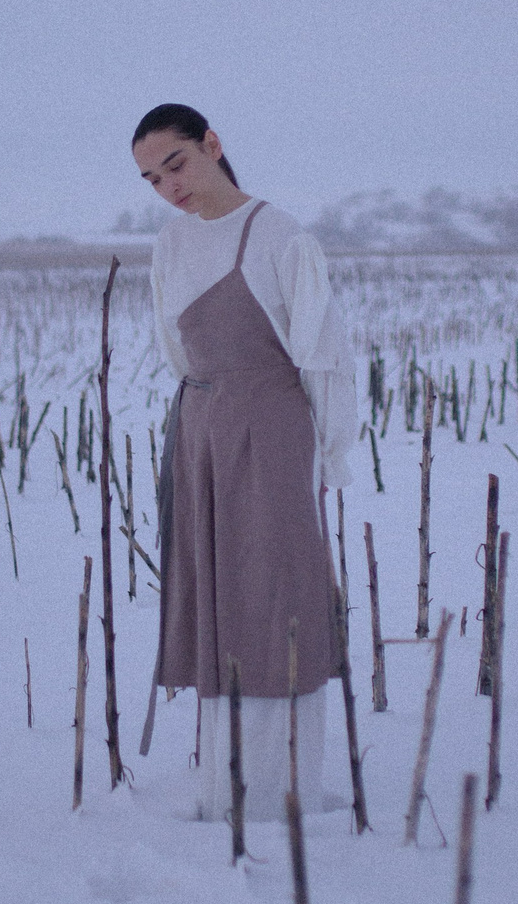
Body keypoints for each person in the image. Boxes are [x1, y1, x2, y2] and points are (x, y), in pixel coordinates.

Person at [133, 103, 353, 821]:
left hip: (272, 426)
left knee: (276, 590)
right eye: (152, 179)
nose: (169, 186)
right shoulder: (170, 244)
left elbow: (323, 356)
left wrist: (328, 453)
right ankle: (222, 787)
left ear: (212, 144)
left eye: (176, 164)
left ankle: (281, 789)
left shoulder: (281, 237)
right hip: (201, 428)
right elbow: (177, 347)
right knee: (217, 595)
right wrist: (201, 417)